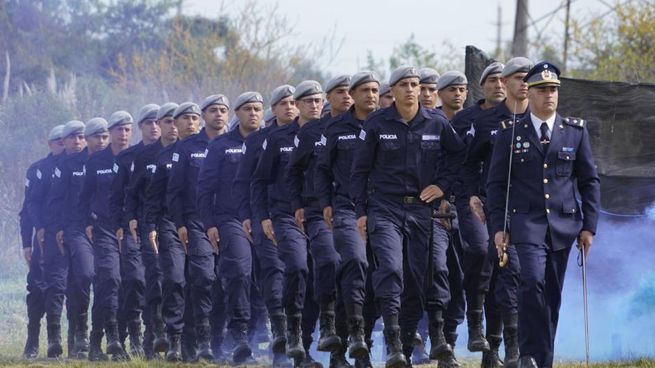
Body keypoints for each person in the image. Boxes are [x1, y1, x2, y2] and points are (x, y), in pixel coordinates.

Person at [487, 61, 600, 368]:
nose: (549, 95)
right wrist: (499, 227)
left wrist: (589, 227)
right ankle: (528, 356)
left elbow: (589, 181)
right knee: (531, 282)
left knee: (551, 296)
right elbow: (497, 185)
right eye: (542, 90)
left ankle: (540, 361)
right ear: (530, 93)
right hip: (525, 225)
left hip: (564, 226)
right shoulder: (510, 133)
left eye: (553, 90)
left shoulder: (575, 132)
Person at [350, 66, 463, 368]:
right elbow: (359, 170)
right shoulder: (377, 122)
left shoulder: (436, 122)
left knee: (416, 280)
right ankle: (392, 340)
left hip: (422, 210)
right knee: (390, 268)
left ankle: (407, 345)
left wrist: (442, 186)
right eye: (405, 85)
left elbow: (459, 157)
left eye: (415, 84)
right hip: (384, 208)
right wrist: (361, 213)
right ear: (394, 90)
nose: (412, 90)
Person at [464, 57, 534, 368]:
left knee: (515, 280)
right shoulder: (486, 123)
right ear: (504, 83)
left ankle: (495, 349)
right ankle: (513, 349)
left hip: (534, 211)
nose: (524, 83)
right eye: (517, 77)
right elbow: (466, 164)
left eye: (527, 77)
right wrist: (472, 198)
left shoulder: (541, 119)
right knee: (509, 272)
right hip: (498, 209)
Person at [251, 80, 325, 364]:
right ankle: (288, 332)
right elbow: (258, 181)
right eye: (304, 101)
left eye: (318, 101)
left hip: (320, 215)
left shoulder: (329, 133)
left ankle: (301, 349)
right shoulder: (278, 138)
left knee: (318, 278)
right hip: (284, 215)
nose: (312, 106)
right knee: (296, 267)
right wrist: (262, 218)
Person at [314, 71, 381, 368]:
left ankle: (356, 346)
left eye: (375, 90)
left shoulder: (387, 123)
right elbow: (321, 169)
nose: (371, 95)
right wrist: (325, 203)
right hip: (346, 209)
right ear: (353, 94)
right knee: (354, 264)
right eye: (364, 90)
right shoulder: (335, 128)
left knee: (377, 280)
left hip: (384, 210)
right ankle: (352, 340)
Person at [197, 92, 264, 364]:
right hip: (230, 219)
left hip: (265, 218)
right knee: (238, 272)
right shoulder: (221, 146)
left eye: (258, 109)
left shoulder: (271, 142)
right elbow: (204, 188)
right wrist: (209, 224)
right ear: (237, 113)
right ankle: (239, 336)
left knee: (266, 279)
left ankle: (266, 337)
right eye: (247, 108)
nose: (253, 113)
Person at [233, 85, 296, 367]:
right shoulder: (260, 140)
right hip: (267, 217)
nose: (289, 107)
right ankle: (280, 335)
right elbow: (245, 181)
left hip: (301, 219)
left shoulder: (309, 136)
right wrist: (250, 216)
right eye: (283, 103)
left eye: (294, 102)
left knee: (299, 275)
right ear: (274, 108)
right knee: (273, 273)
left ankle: (298, 337)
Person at [167, 98, 227, 361]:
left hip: (231, 221)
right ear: (205, 115)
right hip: (197, 222)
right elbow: (174, 190)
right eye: (213, 111)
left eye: (222, 111)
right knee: (203, 278)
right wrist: (180, 223)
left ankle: (220, 341)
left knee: (228, 282)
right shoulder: (187, 147)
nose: (218, 115)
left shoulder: (237, 143)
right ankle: (200, 342)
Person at [124, 102, 179, 360]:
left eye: (169, 121)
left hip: (183, 222)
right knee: (156, 276)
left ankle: (177, 337)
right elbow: (131, 192)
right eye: (160, 122)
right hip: (151, 223)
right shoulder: (144, 156)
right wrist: (133, 218)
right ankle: (155, 333)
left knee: (180, 279)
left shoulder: (186, 150)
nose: (163, 126)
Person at [108, 104, 161, 359]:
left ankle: (153, 337)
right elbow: (119, 196)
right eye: (149, 122)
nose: (154, 127)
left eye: (157, 122)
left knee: (159, 282)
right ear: (141, 126)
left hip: (161, 228)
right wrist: (121, 224)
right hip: (133, 229)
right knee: (134, 281)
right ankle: (126, 335)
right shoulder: (128, 158)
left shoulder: (170, 153)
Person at [43, 120, 90, 358]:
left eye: (82, 137)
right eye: (72, 138)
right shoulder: (51, 167)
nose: (77, 142)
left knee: (79, 282)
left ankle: (77, 338)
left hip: (82, 232)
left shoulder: (90, 162)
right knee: (57, 285)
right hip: (57, 233)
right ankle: (54, 339)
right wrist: (52, 230)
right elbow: (50, 203)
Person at [19, 124, 65, 359]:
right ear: (50, 144)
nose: (63, 145)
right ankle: (32, 339)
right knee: (36, 288)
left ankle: (56, 339)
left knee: (59, 288)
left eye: (65, 140)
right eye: (58, 141)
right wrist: (26, 242)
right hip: (43, 240)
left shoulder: (78, 166)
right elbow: (27, 209)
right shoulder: (38, 169)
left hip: (70, 237)